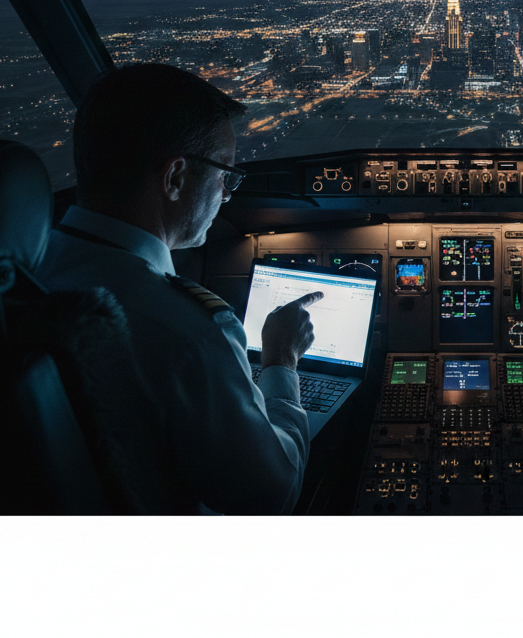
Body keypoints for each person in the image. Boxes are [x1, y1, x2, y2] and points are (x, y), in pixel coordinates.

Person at [38, 63, 317, 514]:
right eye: (224, 174)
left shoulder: (18, 275)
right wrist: (281, 361)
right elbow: (272, 495)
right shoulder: (191, 334)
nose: (226, 194)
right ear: (174, 178)